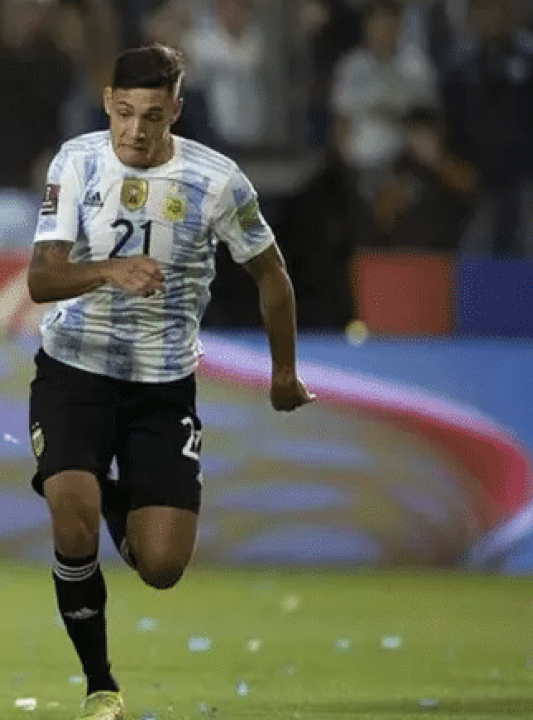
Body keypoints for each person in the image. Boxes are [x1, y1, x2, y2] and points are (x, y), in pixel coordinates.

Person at [26, 45, 314, 720]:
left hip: (162, 387)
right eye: (124, 112)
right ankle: (100, 684)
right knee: (72, 513)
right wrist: (109, 270)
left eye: (152, 115)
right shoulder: (76, 162)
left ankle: (113, 493)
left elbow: (272, 276)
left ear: (175, 112)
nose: (136, 129)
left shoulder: (217, 182)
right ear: (107, 103)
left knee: (161, 566)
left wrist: (283, 373)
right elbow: (42, 278)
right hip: (75, 368)